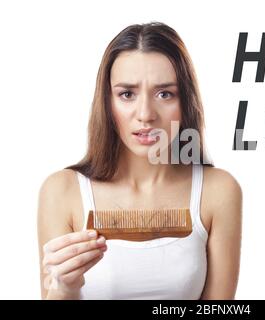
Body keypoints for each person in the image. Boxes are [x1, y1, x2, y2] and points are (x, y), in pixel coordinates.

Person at [37, 22, 242, 300]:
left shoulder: (218, 191)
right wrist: (63, 288)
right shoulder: (62, 191)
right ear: (107, 102)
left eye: (164, 94)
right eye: (127, 94)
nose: (145, 114)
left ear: (185, 101)